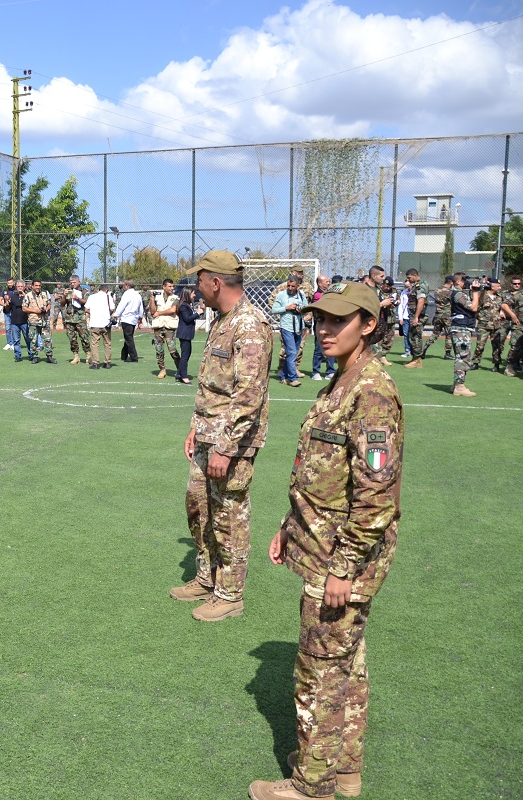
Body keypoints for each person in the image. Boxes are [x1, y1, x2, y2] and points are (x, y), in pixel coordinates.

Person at [248, 279, 403, 800]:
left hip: (341, 561)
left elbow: (376, 497)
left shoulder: (372, 392)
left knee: (318, 673)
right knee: (347, 663)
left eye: (339, 320)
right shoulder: (343, 379)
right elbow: (324, 473)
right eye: (320, 320)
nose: (325, 329)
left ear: (369, 325)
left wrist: (344, 567)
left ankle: (311, 783)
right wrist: (289, 529)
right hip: (319, 547)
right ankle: (343, 768)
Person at [170, 250, 272, 622]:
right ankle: (207, 576)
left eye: (198, 280)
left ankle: (229, 594)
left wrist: (227, 449)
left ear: (215, 281)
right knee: (198, 505)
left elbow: (248, 395)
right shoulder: (223, 321)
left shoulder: (249, 325)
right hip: (208, 436)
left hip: (232, 444)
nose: (195, 288)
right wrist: (196, 429)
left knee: (228, 514)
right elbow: (215, 387)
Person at [271, 275, 308, 386]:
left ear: (298, 286)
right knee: (291, 352)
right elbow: (274, 310)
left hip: (299, 327)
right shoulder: (281, 295)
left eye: (293, 286)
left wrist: (299, 309)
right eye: (288, 286)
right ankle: (293, 378)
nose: (290, 288)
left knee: (294, 353)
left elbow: (306, 307)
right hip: (286, 327)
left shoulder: (301, 294)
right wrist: (287, 308)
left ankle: (284, 376)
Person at [449, 273, 480, 397]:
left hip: (463, 328)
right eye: (464, 280)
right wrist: (476, 292)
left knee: (463, 356)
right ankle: (459, 386)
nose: (466, 282)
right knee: (463, 356)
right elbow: (473, 307)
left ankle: (456, 384)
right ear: (458, 282)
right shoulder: (458, 294)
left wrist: (476, 292)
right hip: (460, 329)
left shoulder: (461, 293)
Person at [360, 266, 395, 364]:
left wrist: (387, 304)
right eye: (381, 276)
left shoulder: (378, 289)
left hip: (378, 324)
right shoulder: (364, 289)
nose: (383, 279)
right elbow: (363, 307)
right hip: (367, 325)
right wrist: (382, 304)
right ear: (374, 276)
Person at [470, 277, 505, 371]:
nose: (500, 288)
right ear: (492, 286)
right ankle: (476, 363)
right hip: (484, 325)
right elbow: (475, 304)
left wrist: (502, 311)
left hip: (496, 325)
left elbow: (506, 304)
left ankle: (496, 364)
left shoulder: (500, 296)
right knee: (480, 345)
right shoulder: (482, 295)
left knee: (497, 346)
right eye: (498, 286)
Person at [149, 278, 182, 378]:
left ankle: (180, 369)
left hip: (169, 327)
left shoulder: (176, 298)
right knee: (159, 350)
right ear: (164, 287)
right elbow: (152, 312)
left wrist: (159, 313)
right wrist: (152, 300)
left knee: (173, 350)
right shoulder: (157, 298)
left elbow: (173, 310)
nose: (172, 288)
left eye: (173, 286)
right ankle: (162, 369)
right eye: (169, 286)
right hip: (158, 326)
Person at [309, 275, 338, 380]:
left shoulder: (329, 293)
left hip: (330, 325)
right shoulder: (318, 295)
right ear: (319, 283)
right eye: (326, 281)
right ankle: (315, 372)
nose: (328, 283)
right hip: (320, 326)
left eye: (329, 281)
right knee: (318, 349)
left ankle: (330, 371)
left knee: (331, 347)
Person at [402, 269, 431, 368]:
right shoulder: (415, 286)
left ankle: (417, 360)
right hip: (413, 314)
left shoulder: (421, 286)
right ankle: (415, 358)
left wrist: (416, 317)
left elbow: (421, 301)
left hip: (418, 316)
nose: (408, 280)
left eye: (409, 277)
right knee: (412, 336)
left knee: (416, 337)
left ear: (415, 275)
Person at [22, 279, 56, 364]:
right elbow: (24, 308)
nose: (38, 287)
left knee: (47, 339)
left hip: (44, 320)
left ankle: (49, 356)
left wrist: (46, 309)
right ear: (32, 286)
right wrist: (35, 310)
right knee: (33, 340)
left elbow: (49, 304)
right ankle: (34, 356)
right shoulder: (28, 295)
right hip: (33, 321)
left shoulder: (44, 294)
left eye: (39, 286)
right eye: (36, 285)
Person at [62, 275, 92, 364]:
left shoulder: (85, 291)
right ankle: (76, 356)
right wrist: (64, 296)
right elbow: (62, 304)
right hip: (69, 319)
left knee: (84, 337)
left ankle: (88, 355)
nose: (72, 284)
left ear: (79, 282)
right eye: (71, 283)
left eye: (74, 282)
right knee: (72, 338)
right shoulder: (69, 291)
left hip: (80, 318)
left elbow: (87, 302)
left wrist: (77, 298)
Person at [85, 283, 115, 369]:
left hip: (95, 323)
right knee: (107, 343)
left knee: (95, 344)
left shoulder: (91, 297)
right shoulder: (109, 297)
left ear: (99, 289)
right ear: (106, 290)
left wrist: (93, 313)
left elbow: (86, 309)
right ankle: (107, 362)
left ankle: (95, 363)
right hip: (106, 324)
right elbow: (112, 309)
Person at [114, 279, 145, 363]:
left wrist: (115, 315)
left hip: (127, 318)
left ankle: (134, 357)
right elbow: (141, 307)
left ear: (127, 286)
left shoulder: (126, 294)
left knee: (128, 338)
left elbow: (121, 305)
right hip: (134, 319)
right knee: (128, 336)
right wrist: (140, 317)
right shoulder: (138, 295)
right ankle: (124, 355)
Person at [174, 287, 201, 384]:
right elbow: (187, 319)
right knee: (185, 355)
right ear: (188, 294)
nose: (194, 295)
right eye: (193, 293)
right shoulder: (183, 306)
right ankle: (183, 376)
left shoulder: (187, 304)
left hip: (187, 333)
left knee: (187, 354)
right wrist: (198, 313)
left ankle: (179, 373)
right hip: (184, 333)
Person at [5, 280, 30, 363]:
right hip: (14, 322)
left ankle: (31, 355)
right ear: (16, 287)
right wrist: (7, 304)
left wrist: (24, 295)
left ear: (24, 287)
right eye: (18, 286)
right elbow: (8, 309)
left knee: (28, 339)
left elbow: (31, 304)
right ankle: (18, 356)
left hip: (25, 321)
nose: (20, 288)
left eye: (21, 287)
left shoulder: (27, 296)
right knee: (16, 340)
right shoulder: (13, 296)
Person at [0, 279, 17, 351]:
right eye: (8, 283)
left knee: (15, 328)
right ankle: (9, 343)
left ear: (13, 283)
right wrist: (4, 304)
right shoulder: (5, 291)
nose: (10, 284)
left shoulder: (17, 290)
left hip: (15, 312)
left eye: (11, 283)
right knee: (8, 328)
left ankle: (15, 344)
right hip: (7, 312)